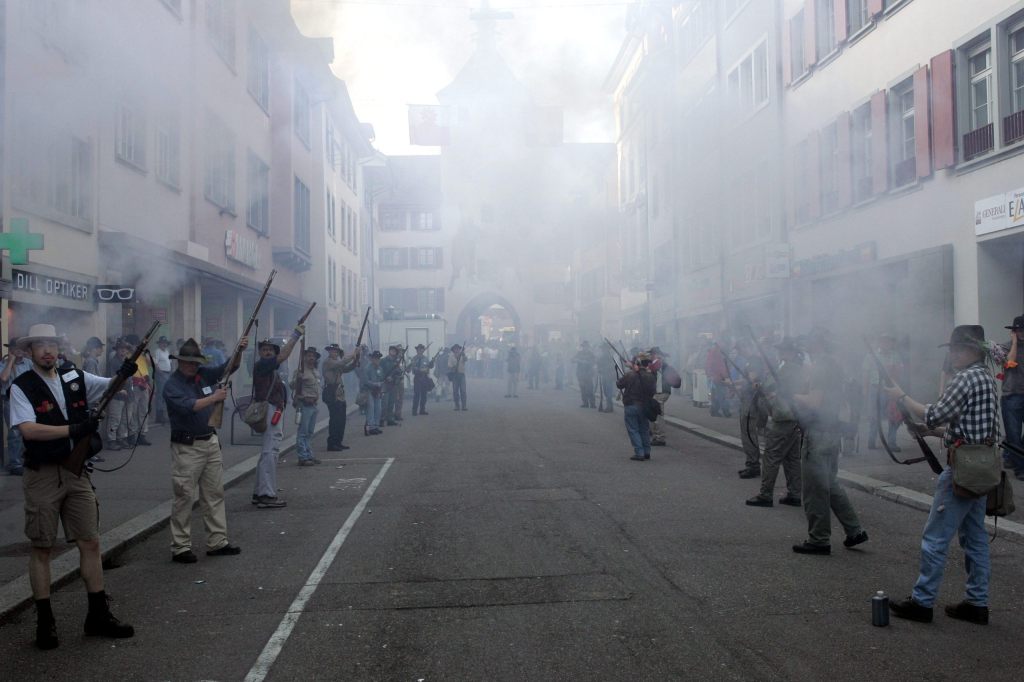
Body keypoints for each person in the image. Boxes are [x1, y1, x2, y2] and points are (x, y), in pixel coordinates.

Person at [10, 324, 136, 648]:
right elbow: (28, 430)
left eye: (51, 344)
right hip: (42, 475)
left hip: (77, 472)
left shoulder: (74, 376)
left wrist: (125, 371)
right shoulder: (22, 385)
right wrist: (73, 429)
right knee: (42, 548)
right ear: (30, 351)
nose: (47, 350)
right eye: (40, 345)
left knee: (90, 542)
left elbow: (110, 386)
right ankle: (45, 622)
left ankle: (97, 615)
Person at [884, 325, 999, 625]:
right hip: (982, 465)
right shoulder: (984, 377)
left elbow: (934, 413)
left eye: (956, 349)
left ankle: (922, 602)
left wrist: (902, 396)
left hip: (963, 468)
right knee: (975, 538)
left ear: (972, 351)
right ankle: (977, 603)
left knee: (934, 537)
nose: (952, 354)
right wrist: (930, 431)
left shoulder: (965, 378)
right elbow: (966, 427)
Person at [163, 338, 246, 564]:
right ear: (180, 362)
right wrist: (214, 397)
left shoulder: (203, 375)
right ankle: (180, 547)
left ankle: (217, 542)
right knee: (184, 497)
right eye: (189, 362)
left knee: (214, 494)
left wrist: (239, 350)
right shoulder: (172, 385)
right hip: (187, 446)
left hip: (209, 441)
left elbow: (229, 368)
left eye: (195, 362)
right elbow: (188, 406)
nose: (193, 365)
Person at [790, 329, 867, 554]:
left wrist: (791, 395)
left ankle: (819, 539)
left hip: (818, 433)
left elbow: (815, 402)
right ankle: (855, 531)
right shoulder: (833, 364)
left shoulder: (822, 367)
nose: (805, 347)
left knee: (815, 489)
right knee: (830, 485)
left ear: (816, 344)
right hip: (831, 432)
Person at [745, 337, 804, 507]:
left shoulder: (786, 369)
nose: (780, 352)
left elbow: (768, 386)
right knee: (792, 459)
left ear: (790, 352)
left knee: (771, 456)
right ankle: (794, 494)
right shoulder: (799, 368)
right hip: (794, 417)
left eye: (783, 350)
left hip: (783, 417)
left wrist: (760, 385)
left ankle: (765, 494)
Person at [250, 330, 301, 508]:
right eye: (264, 349)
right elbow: (285, 354)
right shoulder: (263, 365)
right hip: (270, 409)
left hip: (274, 409)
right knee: (270, 453)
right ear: (260, 353)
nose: (268, 352)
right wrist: (296, 335)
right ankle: (266, 494)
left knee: (267, 452)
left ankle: (259, 492)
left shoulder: (269, 368)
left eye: (271, 350)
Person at [862, 333, 905, 452]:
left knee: (894, 416)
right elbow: (865, 374)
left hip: (890, 389)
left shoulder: (895, 355)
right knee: (874, 416)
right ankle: (871, 441)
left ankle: (891, 443)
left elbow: (899, 371)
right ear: (879, 342)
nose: (886, 344)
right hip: (875, 388)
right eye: (883, 341)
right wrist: (865, 390)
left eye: (888, 341)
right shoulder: (871, 355)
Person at [736, 341, 769, 479]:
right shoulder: (752, 361)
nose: (739, 352)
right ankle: (751, 463)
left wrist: (737, 384)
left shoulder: (754, 361)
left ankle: (753, 465)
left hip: (751, 403)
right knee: (747, 434)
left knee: (749, 434)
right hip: (748, 401)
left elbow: (752, 379)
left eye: (740, 348)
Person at [616, 351, 657, 461]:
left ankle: (639, 452)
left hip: (631, 405)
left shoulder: (630, 374)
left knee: (633, 429)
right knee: (644, 429)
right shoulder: (651, 376)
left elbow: (619, 384)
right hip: (644, 406)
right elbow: (653, 391)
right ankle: (647, 451)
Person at [1, 341, 33, 474]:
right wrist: (10, 362)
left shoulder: (28, 363)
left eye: (21, 348)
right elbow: (3, 378)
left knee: (27, 430)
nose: (18, 350)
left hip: (27, 401)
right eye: (15, 348)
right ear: (11, 349)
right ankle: (15, 464)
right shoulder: (4, 364)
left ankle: (24, 459)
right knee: (14, 432)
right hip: (10, 401)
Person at [1000, 315, 1024, 480]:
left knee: (1014, 436)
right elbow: (1009, 363)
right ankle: (1020, 469)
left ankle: (1009, 456)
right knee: (1014, 434)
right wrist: (1015, 343)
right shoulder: (1005, 347)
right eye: (1018, 330)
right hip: (1012, 396)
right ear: (1013, 332)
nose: (1021, 332)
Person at [322, 342, 358, 450]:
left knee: (341, 420)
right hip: (332, 392)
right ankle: (332, 443)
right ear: (329, 352)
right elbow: (342, 364)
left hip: (339, 393)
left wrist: (355, 361)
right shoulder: (328, 362)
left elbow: (346, 369)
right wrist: (353, 354)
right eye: (333, 351)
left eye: (336, 351)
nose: (335, 353)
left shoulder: (337, 363)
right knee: (335, 419)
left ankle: (338, 441)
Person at [292, 346, 322, 466]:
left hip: (313, 404)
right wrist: (297, 380)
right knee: (303, 432)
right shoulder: (300, 371)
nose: (311, 358)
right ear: (304, 357)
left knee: (309, 432)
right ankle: (302, 457)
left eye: (313, 356)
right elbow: (292, 385)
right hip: (304, 404)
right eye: (309, 356)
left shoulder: (315, 371)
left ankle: (309, 455)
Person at [104, 340, 133, 451]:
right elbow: (111, 379)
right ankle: (111, 441)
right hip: (117, 394)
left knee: (125, 419)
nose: (123, 350)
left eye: (125, 348)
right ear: (117, 349)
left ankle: (122, 438)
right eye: (121, 348)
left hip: (128, 394)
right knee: (115, 419)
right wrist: (119, 390)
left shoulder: (126, 361)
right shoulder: (114, 362)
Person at [380, 345, 404, 426]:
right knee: (384, 404)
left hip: (393, 385)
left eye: (395, 351)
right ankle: (381, 420)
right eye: (392, 350)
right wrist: (386, 378)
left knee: (391, 403)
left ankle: (390, 420)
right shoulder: (383, 361)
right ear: (389, 351)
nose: (393, 352)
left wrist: (393, 377)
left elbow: (398, 372)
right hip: (385, 384)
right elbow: (379, 371)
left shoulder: (396, 362)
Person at [362, 350, 385, 434]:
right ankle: (370, 427)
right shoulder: (367, 368)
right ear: (372, 359)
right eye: (375, 358)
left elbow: (382, 378)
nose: (377, 360)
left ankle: (376, 426)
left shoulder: (380, 368)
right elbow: (365, 381)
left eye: (378, 358)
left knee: (378, 409)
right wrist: (375, 384)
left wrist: (381, 386)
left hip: (377, 391)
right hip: (369, 390)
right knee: (370, 409)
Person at [152, 336, 172, 425]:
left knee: (165, 395)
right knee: (160, 394)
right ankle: (159, 416)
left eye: (165, 343)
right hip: (161, 374)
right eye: (162, 343)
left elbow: (169, 363)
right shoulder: (157, 351)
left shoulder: (167, 352)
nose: (164, 344)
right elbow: (155, 364)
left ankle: (162, 414)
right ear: (159, 343)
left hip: (167, 374)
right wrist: (160, 373)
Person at [409, 344, 435, 415]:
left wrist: (432, 362)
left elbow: (430, 366)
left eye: (421, 349)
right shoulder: (414, 358)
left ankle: (422, 410)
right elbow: (413, 368)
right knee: (417, 395)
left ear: (423, 350)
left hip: (425, 378)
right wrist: (420, 370)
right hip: (417, 377)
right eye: (418, 349)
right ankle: (414, 411)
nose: (420, 350)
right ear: (417, 350)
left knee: (424, 395)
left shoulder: (426, 358)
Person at [573, 341, 597, 408]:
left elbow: (594, 361)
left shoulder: (591, 354)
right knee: (583, 389)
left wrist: (587, 362)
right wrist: (577, 360)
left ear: (588, 347)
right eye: (583, 346)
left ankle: (592, 404)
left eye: (586, 346)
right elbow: (572, 359)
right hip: (580, 374)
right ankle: (585, 403)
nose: (585, 348)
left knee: (590, 389)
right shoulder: (579, 353)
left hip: (588, 374)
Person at [596, 346, 618, 413]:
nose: (603, 350)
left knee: (608, 392)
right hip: (604, 375)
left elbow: (612, 365)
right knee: (606, 392)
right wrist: (599, 368)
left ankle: (609, 407)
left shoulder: (610, 356)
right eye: (603, 349)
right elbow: (599, 363)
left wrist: (602, 369)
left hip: (609, 376)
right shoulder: (602, 356)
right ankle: (610, 406)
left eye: (605, 349)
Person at [448, 344, 469, 411]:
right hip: (455, 375)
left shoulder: (462, 355)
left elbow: (466, 360)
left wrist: (463, 355)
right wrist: (455, 367)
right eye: (455, 349)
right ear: (453, 350)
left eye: (457, 349)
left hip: (461, 374)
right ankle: (457, 405)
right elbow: (449, 366)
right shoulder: (451, 357)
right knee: (455, 391)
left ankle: (464, 406)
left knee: (463, 391)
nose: (456, 350)